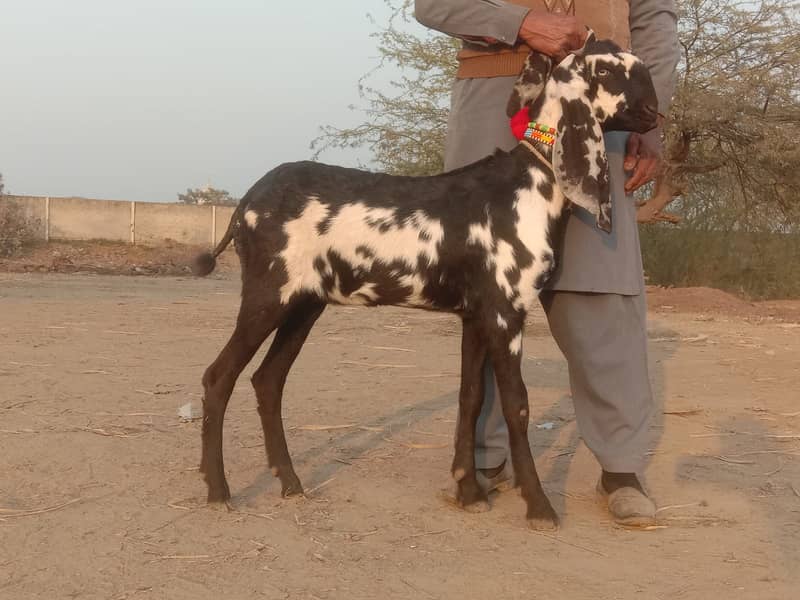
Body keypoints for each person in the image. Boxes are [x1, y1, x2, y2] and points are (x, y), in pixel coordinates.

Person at [414, 0, 679, 525]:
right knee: (487, 296)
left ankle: (621, 465)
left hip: (603, 107)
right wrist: (519, 24)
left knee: (600, 291)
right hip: (493, 107)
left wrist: (653, 118)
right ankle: (484, 456)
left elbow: (654, 19)